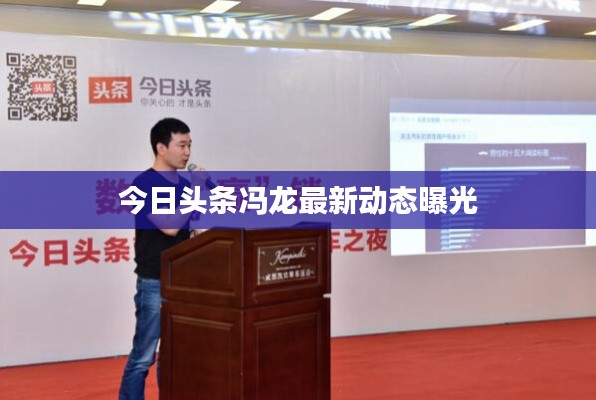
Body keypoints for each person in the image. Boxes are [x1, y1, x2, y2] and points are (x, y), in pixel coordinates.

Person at [119, 117, 201, 400]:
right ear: (161, 148)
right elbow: (169, 226)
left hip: (182, 279)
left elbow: (188, 231)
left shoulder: (184, 185)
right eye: (181, 145)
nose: (187, 152)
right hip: (154, 279)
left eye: (189, 145)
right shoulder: (143, 184)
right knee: (144, 356)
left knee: (173, 354)